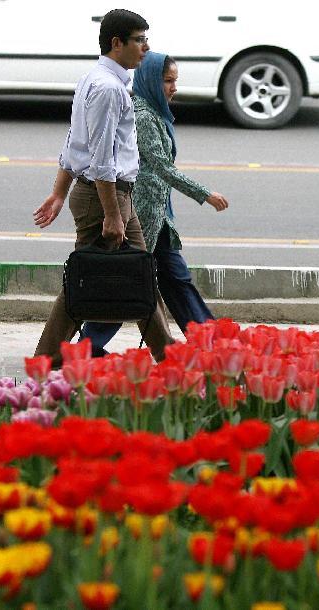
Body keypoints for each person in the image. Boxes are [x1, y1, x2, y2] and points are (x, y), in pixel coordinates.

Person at [32, 9, 174, 365]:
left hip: (110, 196)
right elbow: (100, 158)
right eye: (140, 39)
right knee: (85, 280)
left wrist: (60, 193)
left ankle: (171, 360)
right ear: (117, 43)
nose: (146, 47)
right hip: (106, 198)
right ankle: (44, 362)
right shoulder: (109, 89)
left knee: (141, 276)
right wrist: (112, 214)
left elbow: (73, 143)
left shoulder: (93, 79)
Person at [81, 52, 229, 352]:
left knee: (176, 278)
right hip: (141, 217)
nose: (173, 88)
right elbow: (163, 168)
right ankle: (88, 347)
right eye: (168, 81)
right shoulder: (144, 116)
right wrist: (205, 194)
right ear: (150, 80)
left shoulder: (156, 112)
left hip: (158, 217)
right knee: (128, 284)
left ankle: (212, 343)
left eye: (175, 81)